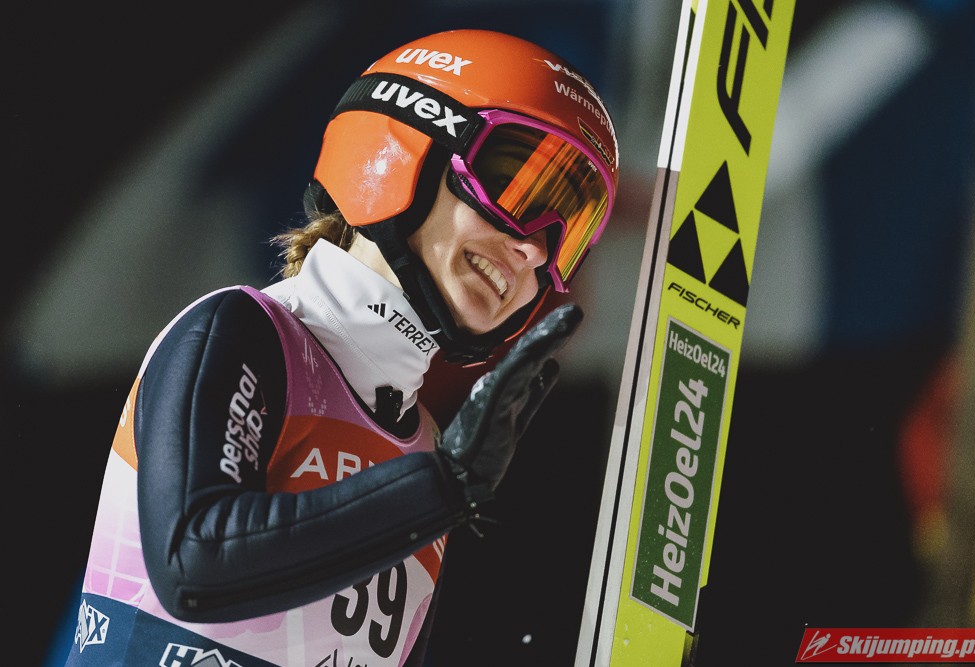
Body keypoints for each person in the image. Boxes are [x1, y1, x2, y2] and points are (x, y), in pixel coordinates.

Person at [64, 28, 619, 667]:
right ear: (406, 147)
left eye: (568, 230)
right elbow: (194, 563)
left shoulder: (427, 451)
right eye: (518, 190)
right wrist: (441, 489)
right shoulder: (245, 330)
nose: (535, 249)